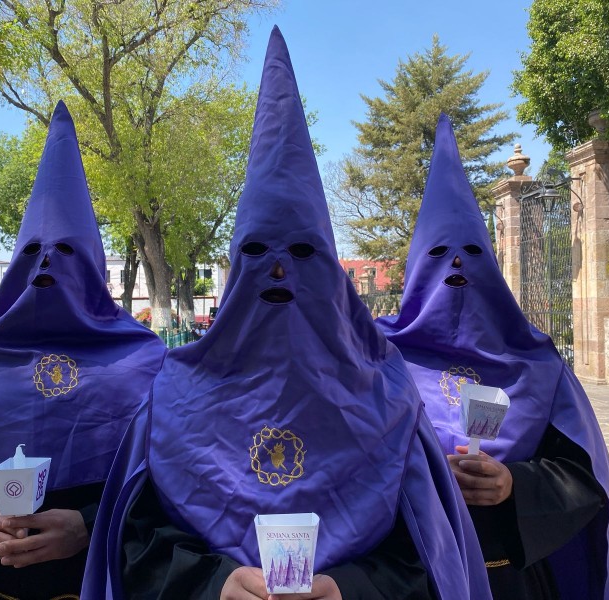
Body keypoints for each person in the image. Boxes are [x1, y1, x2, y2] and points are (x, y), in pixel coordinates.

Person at [82, 27, 491, 600]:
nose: (278, 270)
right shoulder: (171, 394)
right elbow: (136, 539)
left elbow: (428, 552)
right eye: (256, 253)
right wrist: (217, 584)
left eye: (301, 252)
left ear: (331, 273)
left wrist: (349, 588)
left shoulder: (389, 394)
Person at [0, 102, 167, 599]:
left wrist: (90, 525)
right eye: (31, 253)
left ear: (92, 267)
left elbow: (173, 495)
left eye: (64, 252)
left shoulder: (148, 366)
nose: (46, 266)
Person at [376, 113, 609, 599]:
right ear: (415, 268)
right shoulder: (377, 362)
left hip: (513, 581)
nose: (456, 267)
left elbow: (583, 479)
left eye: (471, 254)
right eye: (438, 256)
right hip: (412, 578)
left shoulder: (539, 367)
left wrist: (513, 483)